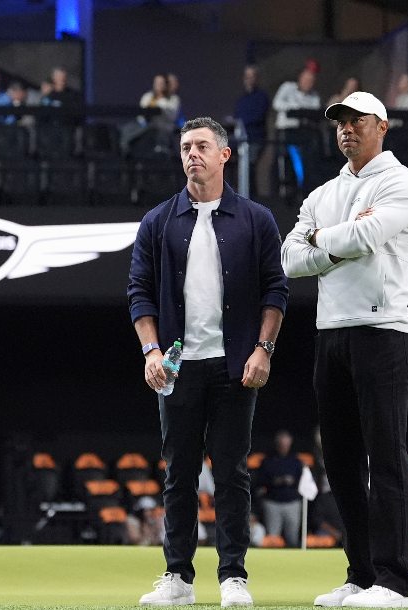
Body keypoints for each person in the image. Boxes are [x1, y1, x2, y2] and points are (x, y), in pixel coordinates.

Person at [128, 116, 289, 607]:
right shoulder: (158, 220)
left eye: (200, 146)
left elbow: (276, 291)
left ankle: (233, 577)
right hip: (177, 367)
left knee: (232, 474)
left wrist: (263, 350)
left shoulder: (256, 219)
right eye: (184, 147)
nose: (191, 154)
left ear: (225, 154)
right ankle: (177, 576)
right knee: (177, 473)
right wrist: (151, 351)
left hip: (234, 365)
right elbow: (139, 293)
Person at [280, 91, 408, 608]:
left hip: (384, 332)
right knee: (340, 462)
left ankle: (395, 584)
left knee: (386, 459)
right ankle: (361, 575)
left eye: (356, 120)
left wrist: (321, 240)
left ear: (382, 126)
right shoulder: (321, 193)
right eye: (339, 121)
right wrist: (333, 240)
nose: (346, 129)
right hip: (330, 332)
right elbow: (289, 259)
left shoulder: (403, 183)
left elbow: (368, 236)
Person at [255, 430, 304, 548]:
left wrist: (293, 481)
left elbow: (302, 481)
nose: (284, 446)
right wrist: (275, 481)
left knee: (292, 537)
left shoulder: (296, 461)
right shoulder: (267, 461)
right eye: (281, 444)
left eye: (286, 444)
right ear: (277, 444)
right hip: (272, 503)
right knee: (273, 538)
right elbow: (259, 481)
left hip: (292, 503)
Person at [233, 65, 270, 182]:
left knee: (249, 168)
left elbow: (258, 116)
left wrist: (243, 121)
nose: (249, 79)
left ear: (257, 78)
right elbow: (237, 117)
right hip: (241, 139)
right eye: (247, 76)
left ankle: (251, 197)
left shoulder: (262, 97)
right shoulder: (241, 99)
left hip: (255, 139)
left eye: (252, 76)